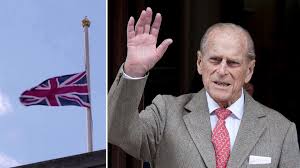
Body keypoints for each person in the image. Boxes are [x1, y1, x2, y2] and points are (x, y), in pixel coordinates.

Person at [108, 7, 300, 168]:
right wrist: (133, 71)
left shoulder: (281, 131)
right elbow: (116, 130)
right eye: (215, 60)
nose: (222, 70)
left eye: (232, 63)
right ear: (200, 63)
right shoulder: (166, 113)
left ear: (249, 70)